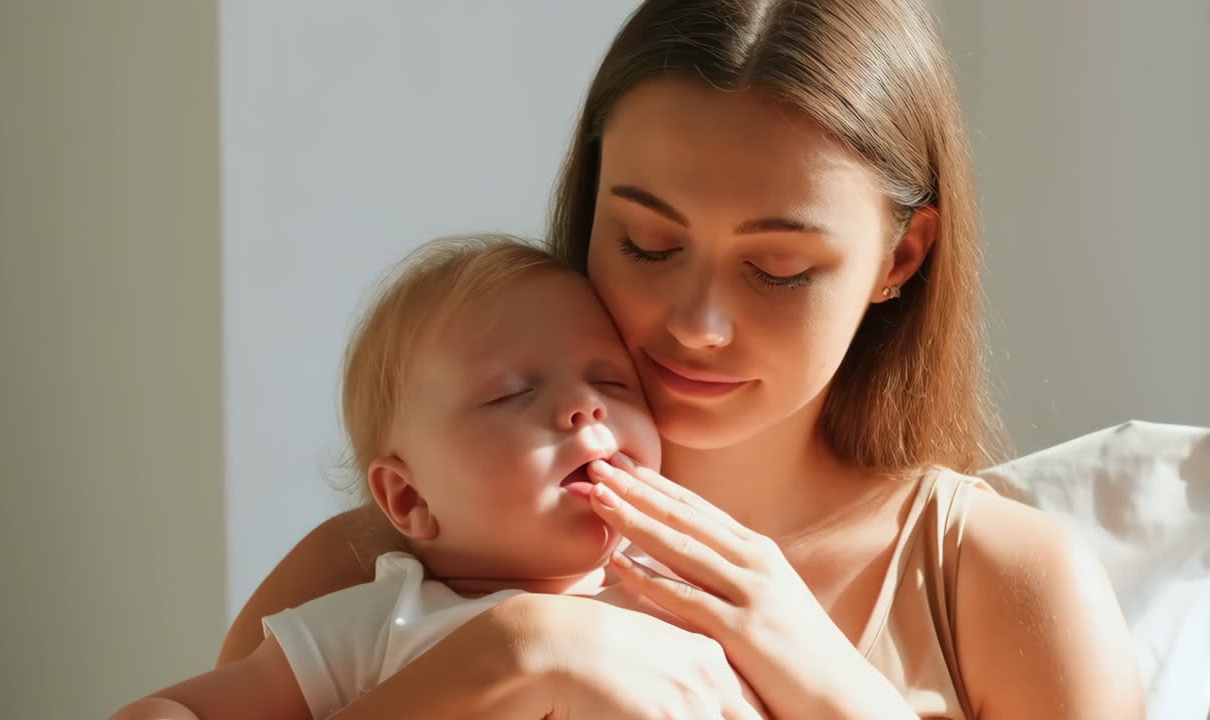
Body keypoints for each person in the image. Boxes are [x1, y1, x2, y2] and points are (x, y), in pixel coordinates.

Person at [213, 1, 1144, 718]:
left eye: (778, 268)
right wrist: (510, 652)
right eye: (648, 244)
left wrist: (824, 680)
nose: (697, 323)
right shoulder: (381, 560)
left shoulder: (998, 581)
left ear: (900, 257)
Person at [111, 237, 768, 719]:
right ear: (410, 497)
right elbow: (170, 709)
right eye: (512, 393)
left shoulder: (686, 596)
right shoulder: (383, 622)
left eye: (611, 380)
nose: (584, 406)